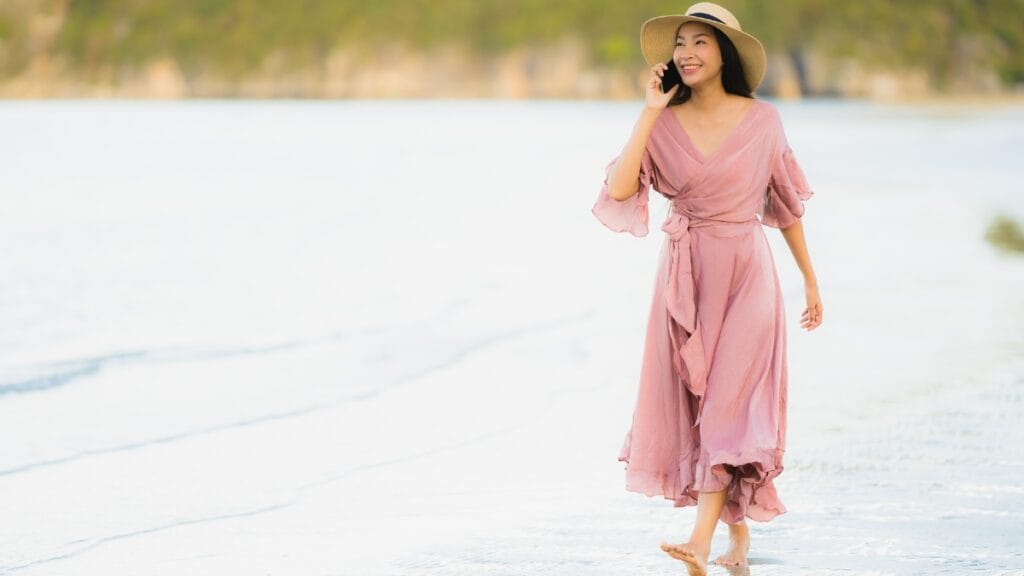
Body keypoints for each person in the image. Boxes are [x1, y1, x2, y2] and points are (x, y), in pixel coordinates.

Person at [591, 3, 823, 574]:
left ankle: (698, 541)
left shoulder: (764, 121)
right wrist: (649, 111)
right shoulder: (664, 123)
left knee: (730, 410)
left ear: (725, 54)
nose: (687, 53)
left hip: (749, 277)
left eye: (700, 42)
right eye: (680, 44)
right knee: (704, 411)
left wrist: (810, 281)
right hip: (686, 281)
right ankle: (735, 540)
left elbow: (786, 207)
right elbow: (621, 190)